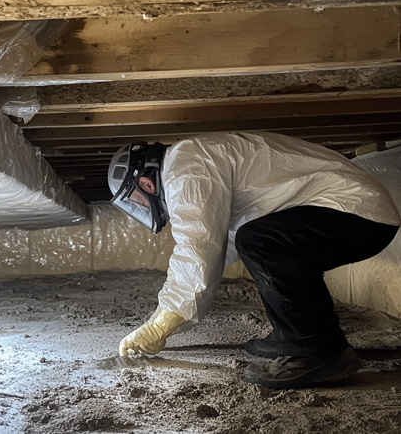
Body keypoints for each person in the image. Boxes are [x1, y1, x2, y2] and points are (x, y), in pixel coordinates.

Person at [107, 131, 400, 389]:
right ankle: (291, 335)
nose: (141, 207)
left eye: (136, 200)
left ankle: (317, 350)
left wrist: (163, 324)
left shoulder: (186, 168)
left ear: (145, 183)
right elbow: (219, 247)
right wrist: (167, 310)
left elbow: (197, 247)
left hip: (357, 211)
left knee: (260, 242)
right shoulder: (192, 159)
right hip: (355, 211)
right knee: (255, 241)